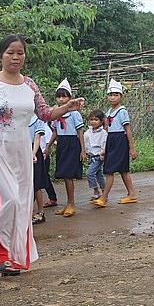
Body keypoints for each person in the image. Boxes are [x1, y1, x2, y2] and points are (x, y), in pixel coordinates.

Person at [0, 34, 85, 276]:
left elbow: (45, 113)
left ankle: (12, 256)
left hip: (22, 152)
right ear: (0, 56)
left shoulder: (29, 85)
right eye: (10, 52)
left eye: (20, 52)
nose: (16, 57)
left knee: (22, 206)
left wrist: (67, 108)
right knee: (7, 201)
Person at [92, 79, 138, 207]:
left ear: (121, 96)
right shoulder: (108, 113)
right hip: (111, 140)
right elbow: (108, 132)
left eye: (116, 95)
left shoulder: (122, 111)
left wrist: (132, 148)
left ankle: (104, 197)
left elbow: (127, 130)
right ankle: (132, 194)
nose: (112, 97)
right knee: (123, 170)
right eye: (110, 95)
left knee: (110, 170)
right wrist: (105, 149)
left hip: (120, 140)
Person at [45, 79, 86, 217]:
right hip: (62, 145)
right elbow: (55, 132)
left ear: (70, 97)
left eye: (65, 96)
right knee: (63, 175)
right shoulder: (56, 113)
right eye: (59, 96)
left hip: (72, 145)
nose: (61, 99)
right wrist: (48, 146)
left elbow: (80, 132)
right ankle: (68, 203)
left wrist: (83, 150)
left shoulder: (74, 114)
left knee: (68, 176)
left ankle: (71, 204)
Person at [84, 109, 107, 200]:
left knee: (89, 173)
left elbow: (105, 144)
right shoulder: (88, 132)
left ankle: (96, 190)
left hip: (98, 157)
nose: (93, 122)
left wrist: (103, 153)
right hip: (91, 156)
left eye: (96, 120)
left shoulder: (103, 133)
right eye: (91, 119)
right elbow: (84, 143)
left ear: (101, 121)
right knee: (99, 175)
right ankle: (104, 191)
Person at [29, 114, 47, 225]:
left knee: (36, 184)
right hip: (19, 150)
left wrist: (33, 153)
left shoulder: (37, 120)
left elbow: (37, 137)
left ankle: (40, 212)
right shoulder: (18, 118)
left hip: (32, 151)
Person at [40, 122, 58, 208]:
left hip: (43, 155)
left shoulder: (45, 127)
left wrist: (45, 152)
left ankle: (52, 198)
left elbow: (48, 142)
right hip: (35, 154)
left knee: (44, 177)